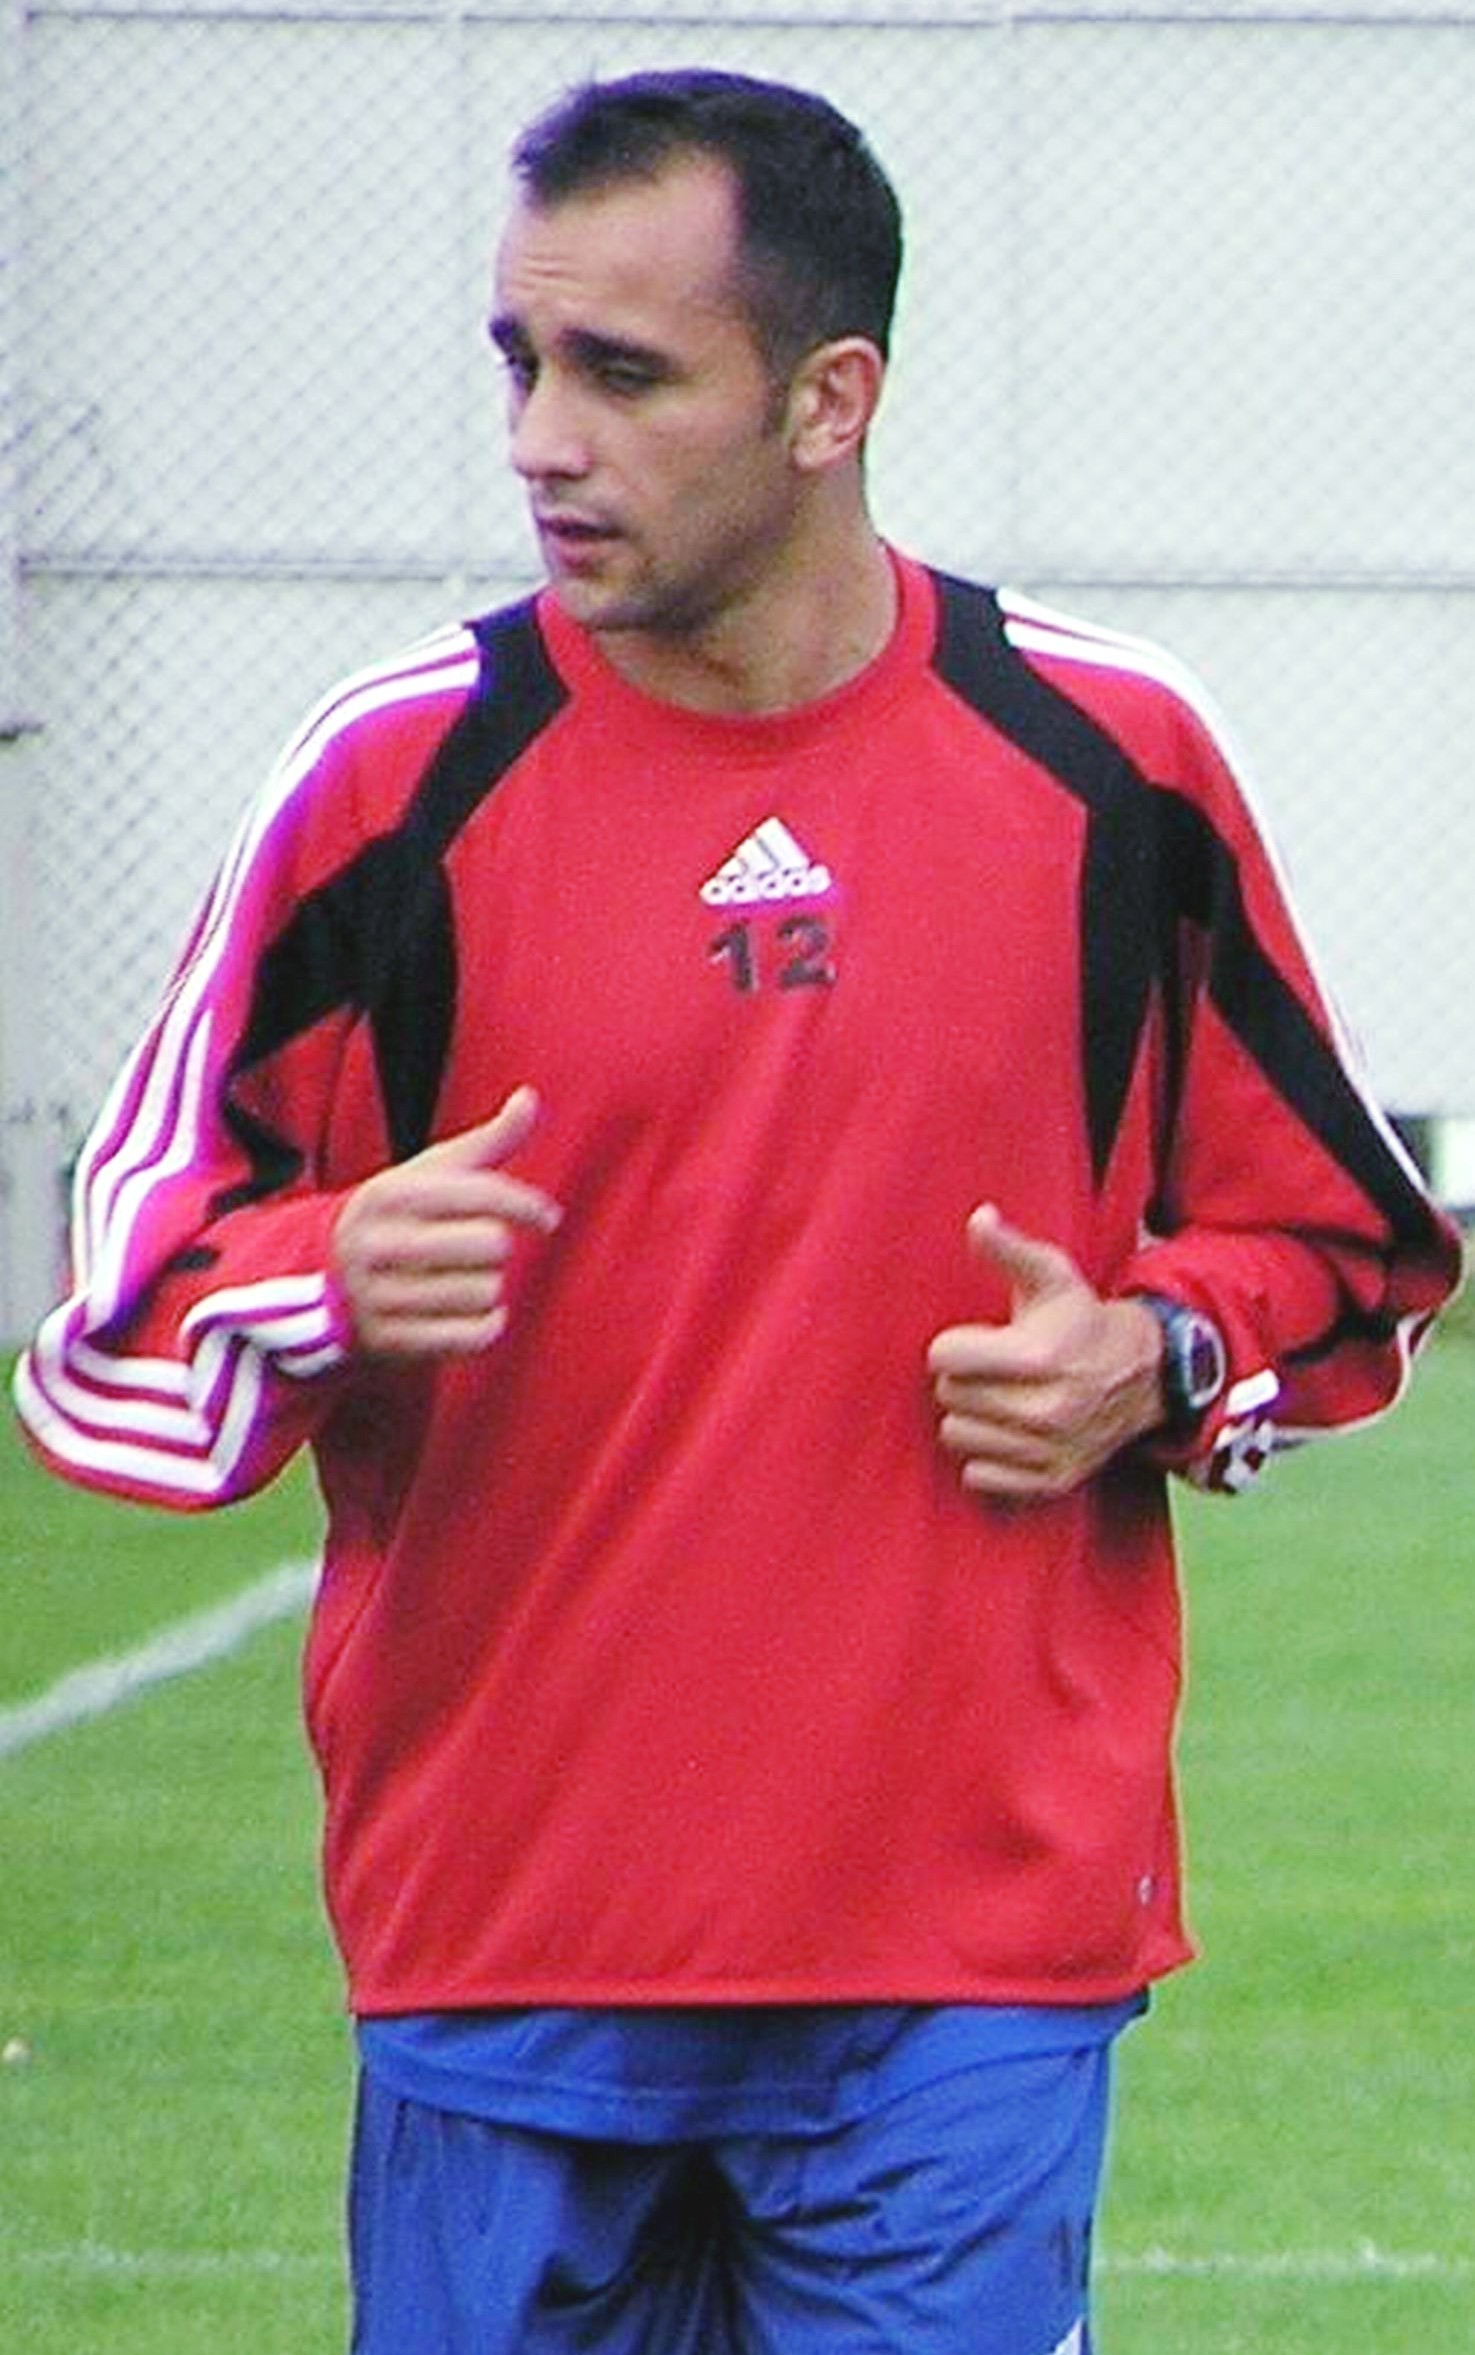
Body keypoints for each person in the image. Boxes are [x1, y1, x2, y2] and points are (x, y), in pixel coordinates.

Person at [12, 68, 1461, 2355]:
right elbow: (112, 1325)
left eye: (623, 372)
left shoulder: (1114, 758)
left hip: (964, 1961)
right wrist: (317, 1274)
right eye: (518, 361)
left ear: (826, 400)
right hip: (507, 1940)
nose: (542, 439)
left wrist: (1156, 1348)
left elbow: (1351, 1249)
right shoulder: (389, 777)